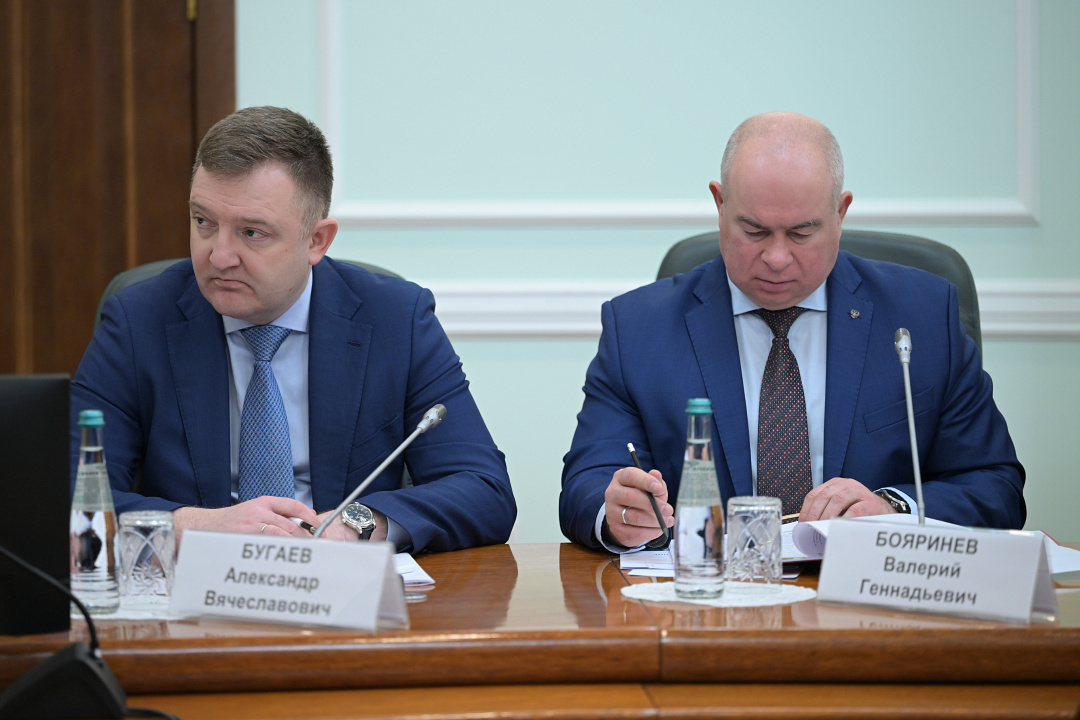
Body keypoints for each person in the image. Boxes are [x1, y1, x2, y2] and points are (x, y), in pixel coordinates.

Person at [560, 111, 1024, 551]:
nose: (777, 258)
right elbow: (587, 482)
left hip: (869, 592)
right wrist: (618, 511)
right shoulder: (638, 328)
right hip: (709, 594)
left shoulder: (923, 316)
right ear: (720, 205)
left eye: (802, 233)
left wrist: (892, 508)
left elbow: (995, 486)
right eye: (754, 231)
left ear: (840, 212)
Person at [72, 106, 516, 553]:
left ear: (317, 241)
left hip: (340, 582)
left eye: (252, 232)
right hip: (198, 584)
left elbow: (483, 489)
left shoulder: (396, 320)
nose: (219, 256)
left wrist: (354, 525)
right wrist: (197, 526)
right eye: (204, 222)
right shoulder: (138, 321)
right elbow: (69, 496)